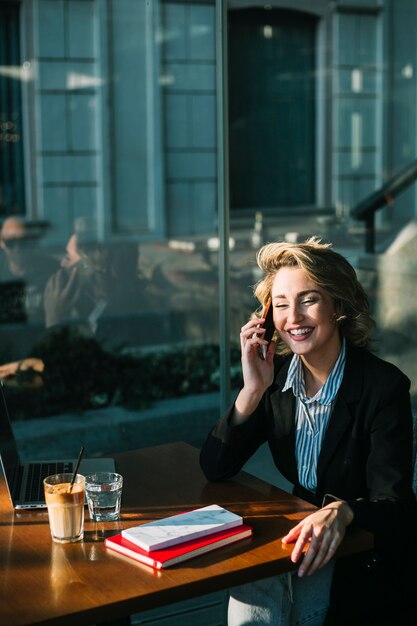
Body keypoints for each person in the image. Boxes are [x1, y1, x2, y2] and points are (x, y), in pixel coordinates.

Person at [200, 237, 417, 626]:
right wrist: (252, 390)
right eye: (281, 304)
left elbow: (397, 507)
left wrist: (345, 510)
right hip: (300, 541)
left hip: (362, 556)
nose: (293, 318)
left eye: (309, 299)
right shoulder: (277, 382)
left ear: (339, 307)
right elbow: (216, 464)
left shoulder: (384, 389)